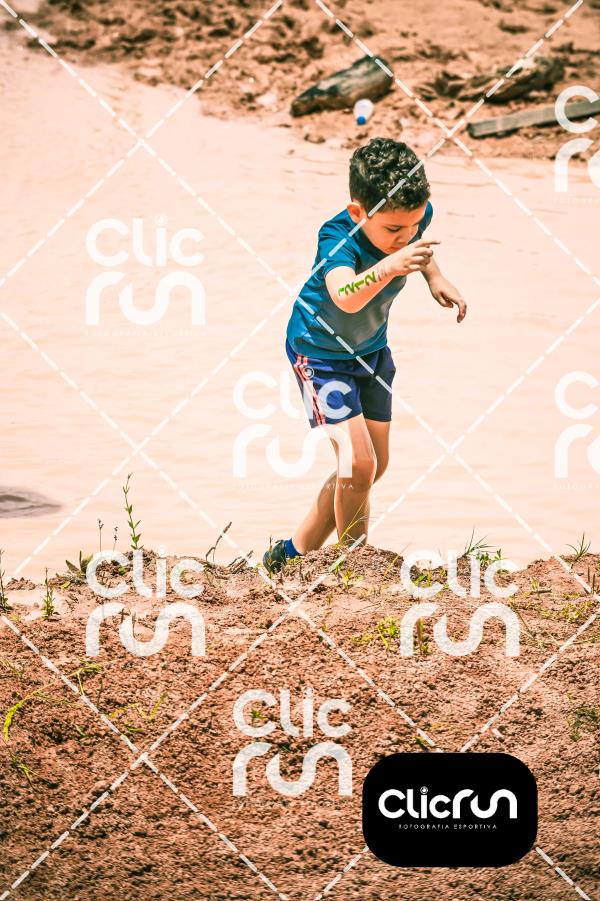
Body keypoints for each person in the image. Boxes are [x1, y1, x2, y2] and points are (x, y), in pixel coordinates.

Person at [263, 137, 466, 573]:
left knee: (372, 467)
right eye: (393, 231)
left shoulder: (409, 217)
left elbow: (418, 244)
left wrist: (435, 276)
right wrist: (391, 265)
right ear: (358, 212)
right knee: (358, 464)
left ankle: (291, 555)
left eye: (413, 225)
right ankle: (353, 569)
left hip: (371, 351)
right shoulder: (338, 238)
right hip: (319, 354)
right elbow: (345, 296)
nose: (405, 236)